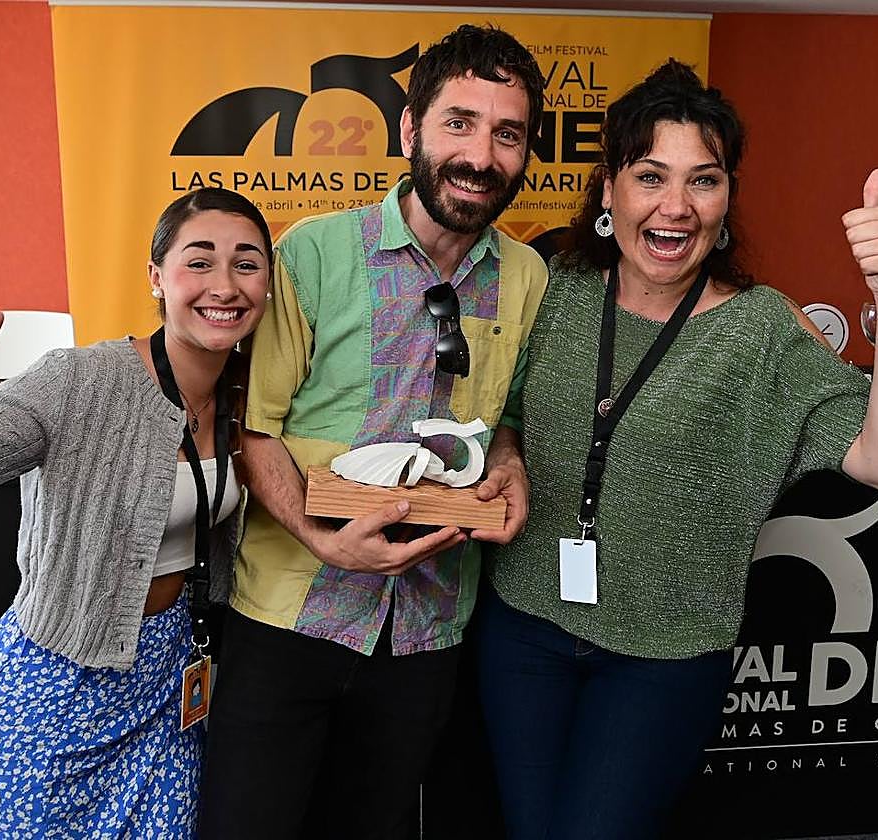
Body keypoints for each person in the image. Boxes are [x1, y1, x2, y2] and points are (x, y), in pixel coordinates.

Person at [476, 59, 878, 840]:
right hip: (523, 629)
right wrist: (511, 451)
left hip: (664, 658)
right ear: (610, 189)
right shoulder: (555, 285)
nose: (676, 207)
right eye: (650, 176)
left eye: (704, 180)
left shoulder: (760, 330)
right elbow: (506, 407)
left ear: (727, 200)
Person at [199, 24, 547, 840]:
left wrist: (510, 466)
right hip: (291, 618)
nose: (481, 155)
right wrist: (327, 543)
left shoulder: (527, 276)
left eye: (508, 133)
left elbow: (510, 420)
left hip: (428, 629)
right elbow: (255, 430)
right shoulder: (314, 253)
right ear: (410, 130)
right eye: (459, 123)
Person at [0, 187, 272, 838]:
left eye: (246, 263)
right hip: (47, 697)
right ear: (156, 277)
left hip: (164, 696)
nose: (225, 283)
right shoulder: (79, 381)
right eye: (200, 260)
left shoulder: (256, 394)